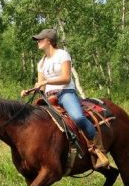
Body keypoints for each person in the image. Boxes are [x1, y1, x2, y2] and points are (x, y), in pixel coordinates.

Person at [21, 28, 109, 169]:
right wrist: (31, 91)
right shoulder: (41, 62)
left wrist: (46, 82)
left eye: (40, 39)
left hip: (65, 93)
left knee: (78, 117)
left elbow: (66, 78)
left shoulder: (62, 55)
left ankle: (98, 149)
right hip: (48, 97)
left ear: (49, 41)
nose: (38, 42)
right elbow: (41, 87)